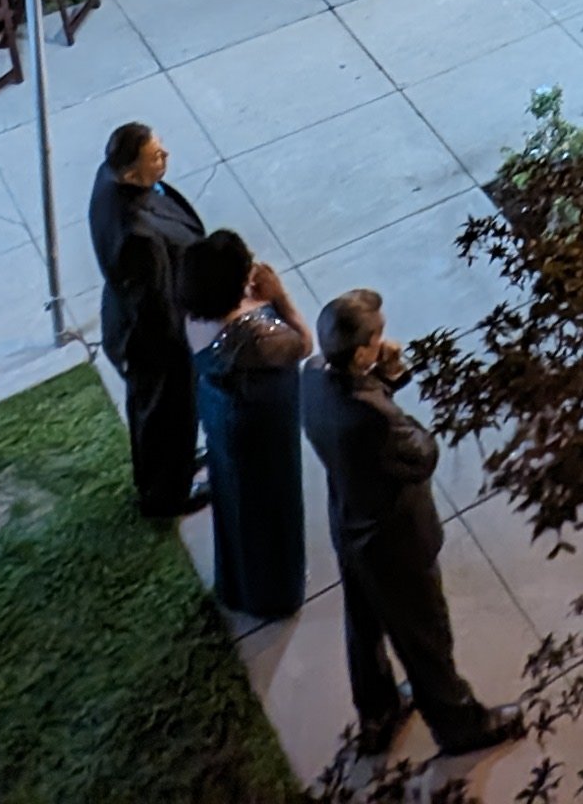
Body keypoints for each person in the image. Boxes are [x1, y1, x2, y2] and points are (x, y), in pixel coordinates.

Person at [302, 289, 522, 757]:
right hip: (394, 542)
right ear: (360, 353)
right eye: (377, 337)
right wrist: (385, 381)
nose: (385, 340)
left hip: (350, 523)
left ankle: (377, 713)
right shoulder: (375, 419)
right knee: (425, 637)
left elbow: (359, 401)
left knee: (363, 626)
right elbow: (423, 454)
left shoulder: (313, 375)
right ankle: (461, 725)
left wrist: (381, 375)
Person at [181, 229, 311, 616]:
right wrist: (279, 297)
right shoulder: (258, 337)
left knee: (234, 500)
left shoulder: (194, 315)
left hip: (221, 415)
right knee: (270, 508)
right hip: (261, 428)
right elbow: (303, 343)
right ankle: (274, 594)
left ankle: (236, 584)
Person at [91, 121, 209, 517]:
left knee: (165, 417)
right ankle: (166, 496)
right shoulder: (138, 237)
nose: (166, 156)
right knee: (167, 417)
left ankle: (174, 467)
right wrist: (189, 343)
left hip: (138, 323)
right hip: (155, 345)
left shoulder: (109, 177)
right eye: (156, 156)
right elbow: (156, 308)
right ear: (130, 174)